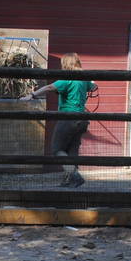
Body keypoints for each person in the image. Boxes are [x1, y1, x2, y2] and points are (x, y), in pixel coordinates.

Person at [28, 53, 95, 187]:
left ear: (66, 63)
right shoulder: (84, 78)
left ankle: (75, 175)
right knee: (72, 150)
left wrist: (32, 95)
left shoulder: (67, 78)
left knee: (57, 149)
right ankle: (68, 180)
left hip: (68, 117)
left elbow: (49, 87)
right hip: (82, 119)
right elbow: (94, 86)